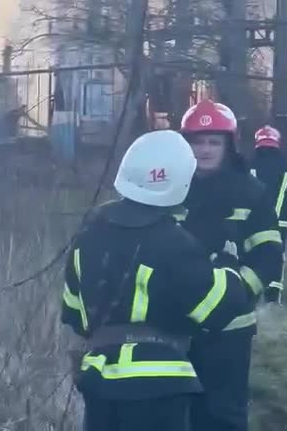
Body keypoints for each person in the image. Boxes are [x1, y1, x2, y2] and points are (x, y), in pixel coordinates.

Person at [61, 130, 249, 431]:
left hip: (98, 382)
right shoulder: (174, 242)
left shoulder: (88, 236)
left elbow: (73, 313)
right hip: (159, 388)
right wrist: (227, 263)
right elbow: (219, 308)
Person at [179, 99, 284, 431]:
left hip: (229, 330)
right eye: (198, 141)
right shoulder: (169, 189)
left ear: (229, 145)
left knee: (223, 414)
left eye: (214, 142)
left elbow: (268, 254)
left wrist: (237, 292)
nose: (205, 150)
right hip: (174, 326)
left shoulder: (250, 192)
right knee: (177, 412)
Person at [251, 125, 287, 302]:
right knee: (276, 256)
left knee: (252, 254)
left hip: (250, 222)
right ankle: (272, 298)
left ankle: (251, 293)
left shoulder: (248, 167)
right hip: (279, 224)